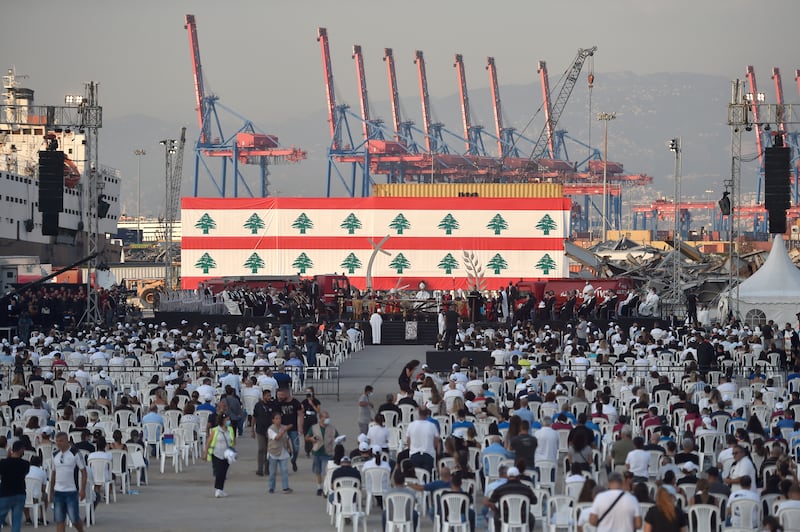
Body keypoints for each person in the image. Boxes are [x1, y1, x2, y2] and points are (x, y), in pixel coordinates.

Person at [51, 431, 87, 532]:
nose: (58, 443)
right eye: (57, 441)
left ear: (67, 441)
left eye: (61, 441)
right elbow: (53, 474)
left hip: (71, 491)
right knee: (59, 520)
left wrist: (83, 490)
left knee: (74, 518)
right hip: (58, 491)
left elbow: (83, 471)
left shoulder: (75, 453)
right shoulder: (55, 455)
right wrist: (51, 491)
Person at [487, 466, 537, 531]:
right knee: (531, 518)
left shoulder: (500, 489)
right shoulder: (526, 489)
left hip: (505, 517)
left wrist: (497, 511)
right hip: (523, 516)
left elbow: (490, 502)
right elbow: (534, 501)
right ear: (518, 476)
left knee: (496, 517)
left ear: (508, 476)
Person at [0, 440, 29, 532]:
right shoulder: (25, 464)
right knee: (16, 521)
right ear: (21, 450)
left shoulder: (3, 462)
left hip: (5, 493)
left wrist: (8, 456)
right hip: (19, 493)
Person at [205, 412, 235, 498]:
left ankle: (221, 489)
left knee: (224, 473)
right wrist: (205, 453)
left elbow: (232, 441)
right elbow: (209, 442)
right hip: (216, 453)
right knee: (219, 472)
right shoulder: (215, 430)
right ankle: (217, 489)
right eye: (227, 420)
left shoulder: (230, 430)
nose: (228, 421)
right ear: (222, 421)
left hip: (227, 454)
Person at [306, 410, 336, 496]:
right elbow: (307, 437)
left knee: (325, 472)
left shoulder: (332, 428)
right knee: (317, 471)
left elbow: (337, 437)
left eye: (328, 417)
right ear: (321, 418)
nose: (327, 419)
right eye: (325, 417)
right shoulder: (314, 428)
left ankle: (326, 488)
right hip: (317, 452)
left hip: (327, 453)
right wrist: (311, 439)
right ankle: (319, 487)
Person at [276, 387, 303, 473]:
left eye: (281, 395)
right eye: (278, 395)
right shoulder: (279, 403)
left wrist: (300, 427)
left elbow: (300, 415)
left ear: (287, 393)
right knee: (282, 448)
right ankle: (284, 465)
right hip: (283, 428)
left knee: (296, 448)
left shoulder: (295, 403)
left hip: (293, 428)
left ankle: (293, 459)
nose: (280, 397)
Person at [405, 407, 439, 473]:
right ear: (427, 414)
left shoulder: (411, 425)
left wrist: (412, 448)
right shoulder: (432, 426)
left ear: (418, 413)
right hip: (428, 454)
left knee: (416, 475)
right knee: (427, 476)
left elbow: (408, 441)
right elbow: (436, 442)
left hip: (414, 454)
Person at [252, 388, 277, 477]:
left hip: (270, 430)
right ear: (263, 396)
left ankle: (267, 468)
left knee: (268, 450)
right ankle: (260, 469)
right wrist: (252, 429)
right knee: (261, 449)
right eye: (267, 396)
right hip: (260, 430)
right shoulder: (258, 405)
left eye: (270, 396)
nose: (269, 397)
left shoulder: (273, 405)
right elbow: (254, 417)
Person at [267, 412, 293, 494]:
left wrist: (289, 448)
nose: (278, 420)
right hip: (273, 452)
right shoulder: (270, 429)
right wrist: (284, 430)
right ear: (273, 420)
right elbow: (277, 438)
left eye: (279, 418)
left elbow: (286, 438)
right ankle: (271, 487)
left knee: (284, 470)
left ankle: (285, 487)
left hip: (283, 451)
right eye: (276, 419)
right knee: (273, 472)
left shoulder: (283, 427)